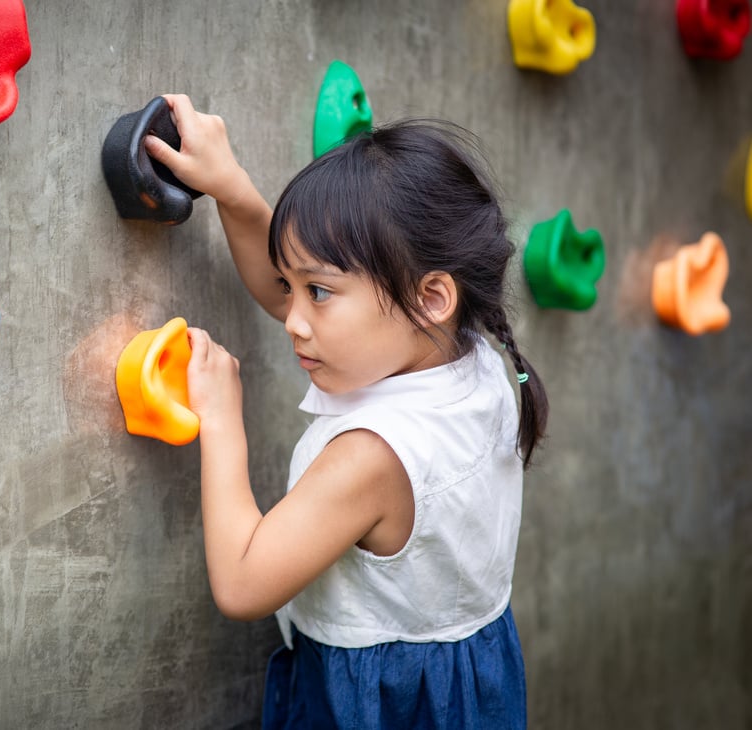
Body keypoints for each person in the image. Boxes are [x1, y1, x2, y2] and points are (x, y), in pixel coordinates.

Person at [144, 94, 548, 729]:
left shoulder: (371, 457)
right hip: (473, 675)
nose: (292, 319)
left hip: (381, 702)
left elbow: (244, 583)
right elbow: (295, 293)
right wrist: (234, 191)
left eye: (320, 293)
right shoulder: (469, 352)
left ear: (431, 296)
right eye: (294, 286)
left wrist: (222, 421)